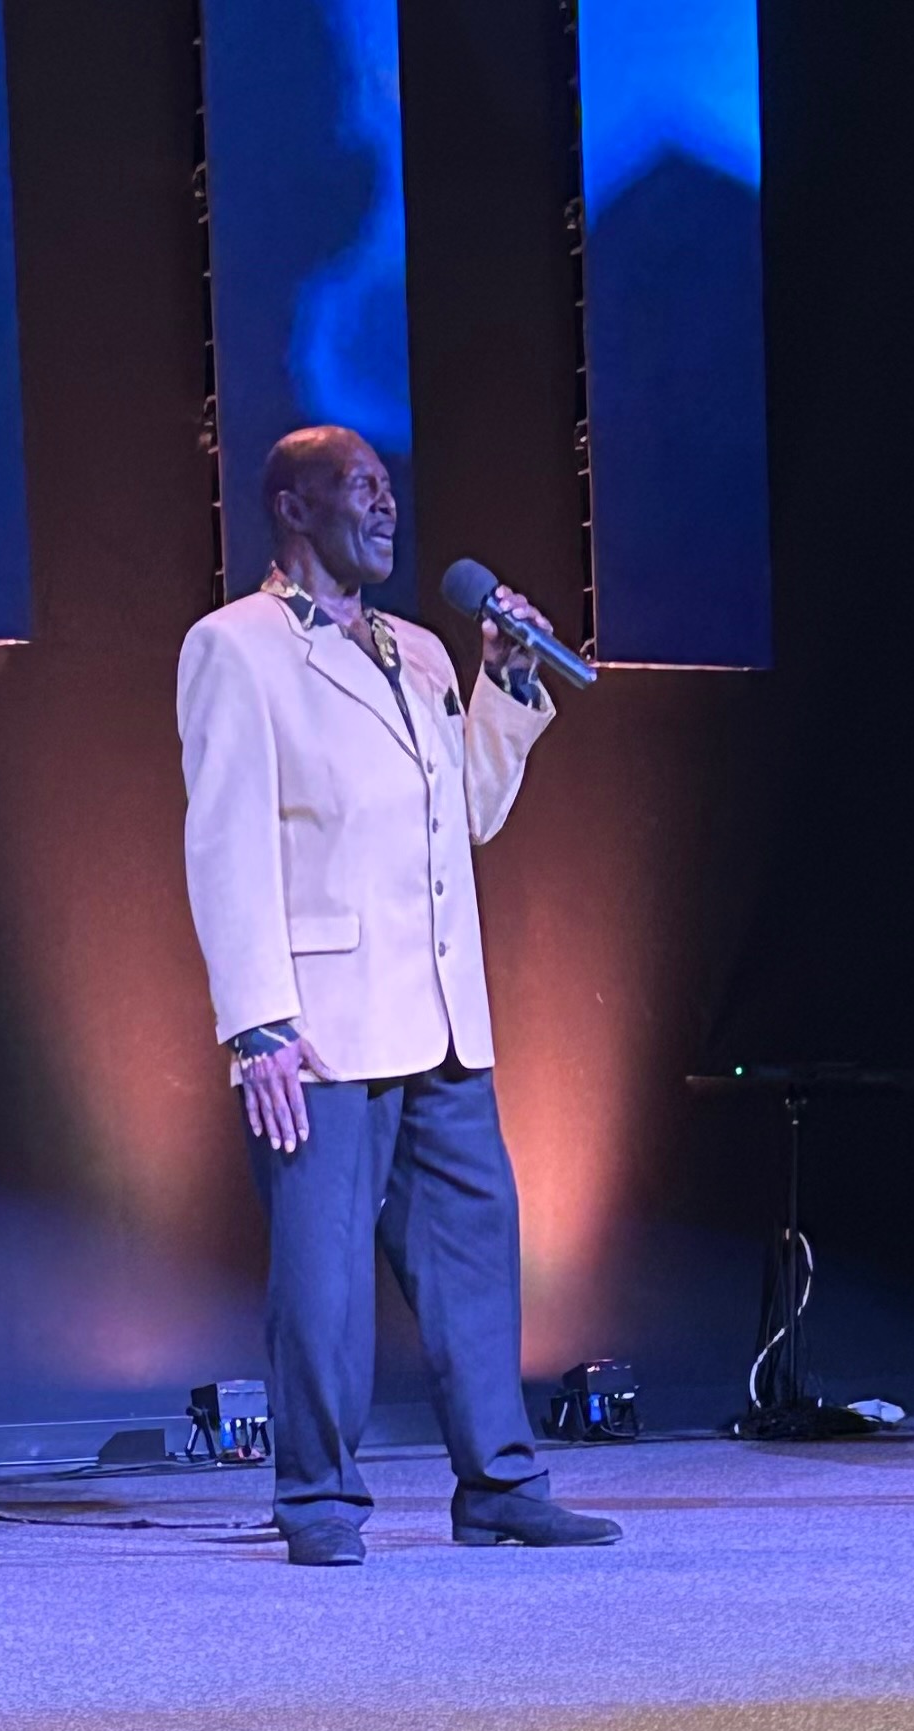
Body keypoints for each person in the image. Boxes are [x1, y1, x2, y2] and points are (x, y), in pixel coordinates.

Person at [177, 425, 621, 1564]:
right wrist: (257, 1023)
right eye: (360, 488)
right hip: (322, 1024)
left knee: (475, 1248)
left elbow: (469, 813)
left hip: (441, 1015)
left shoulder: (418, 650)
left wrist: (506, 680)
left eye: (387, 489)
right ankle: (319, 1496)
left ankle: (499, 1482)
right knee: (322, 1277)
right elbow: (225, 844)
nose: (385, 507)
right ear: (293, 506)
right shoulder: (236, 648)